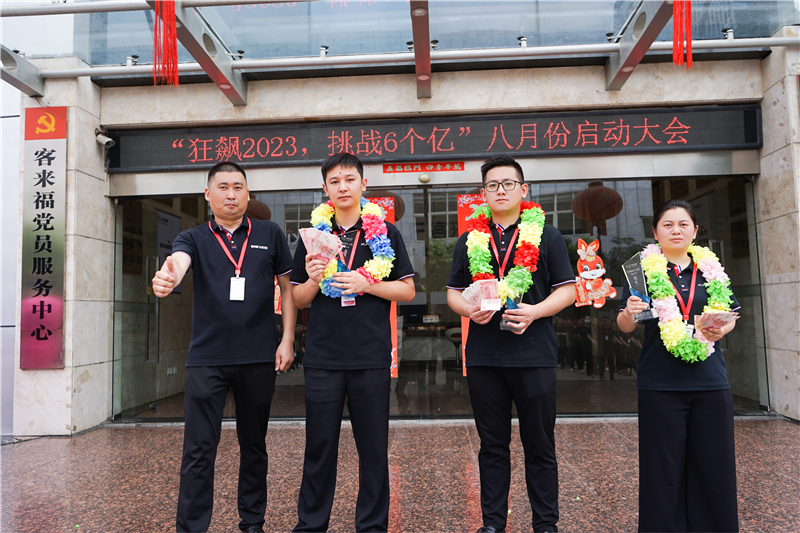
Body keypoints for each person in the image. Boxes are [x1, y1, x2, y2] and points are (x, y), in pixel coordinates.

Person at [151, 161, 296, 533]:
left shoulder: (270, 233)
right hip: (207, 359)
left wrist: (287, 339)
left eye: (238, 187)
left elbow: (287, 289)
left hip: (258, 355)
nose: (231, 194)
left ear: (247, 193)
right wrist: (169, 276)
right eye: (223, 187)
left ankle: (253, 523)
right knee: (199, 449)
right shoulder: (193, 237)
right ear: (208, 194)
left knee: (254, 445)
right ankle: (191, 527)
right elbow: (178, 262)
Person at [447, 155, 576, 533]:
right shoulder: (469, 239)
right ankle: (492, 524)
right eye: (492, 185)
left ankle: (546, 524)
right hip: (485, 357)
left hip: (534, 354)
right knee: (492, 446)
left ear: (523, 189)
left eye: (508, 183)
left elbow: (567, 290)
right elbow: (453, 292)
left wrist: (535, 312)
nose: (500, 190)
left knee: (540, 445)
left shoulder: (547, 235)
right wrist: (468, 310)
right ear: (483, 193)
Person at [290, 153, 415, 533]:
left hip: (370, 356)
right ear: (325, 188)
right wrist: (313, 277)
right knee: (319, 446)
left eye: (349, 179)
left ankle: (372, 526)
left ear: (363, 184)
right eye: (335, 181)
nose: (342, 187)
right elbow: (298, 299)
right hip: (323, 358)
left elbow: (407, 291)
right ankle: (311, 525)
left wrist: (367, 283)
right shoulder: (313, 237)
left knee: (373, 448)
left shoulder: (385, 232)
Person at [618, 199, 741, 533]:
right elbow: (625, 325)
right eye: (668, 224)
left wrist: (721, 328)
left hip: (710, 382)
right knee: (662, 471)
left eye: (683, 224)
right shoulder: (641, 269)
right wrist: (628, 311)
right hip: (660, 384)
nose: (676, 230)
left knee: (714, 467)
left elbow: (731, 315)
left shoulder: (711, 269)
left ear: (695, 231)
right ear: (655, 231)